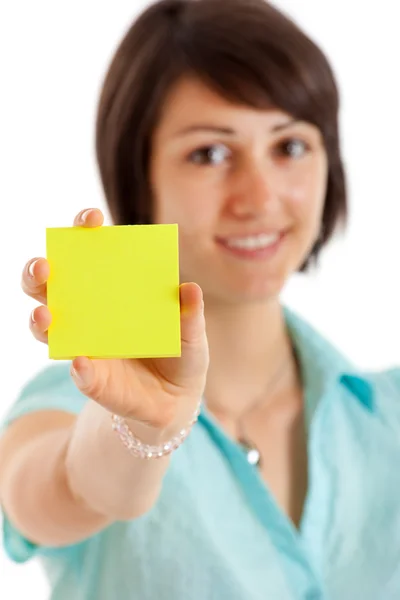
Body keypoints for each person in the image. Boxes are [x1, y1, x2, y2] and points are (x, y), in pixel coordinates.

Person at [1, 0, 400, 598]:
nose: (260, 197)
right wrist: (144, 430)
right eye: (209, 153)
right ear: (140, 180)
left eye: (289, 146)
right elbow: (62, 489)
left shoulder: (385, 415)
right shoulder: (80, 396)